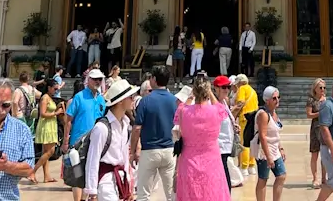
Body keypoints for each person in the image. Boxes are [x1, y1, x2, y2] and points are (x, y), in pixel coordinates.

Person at [172, 74, 230, 201]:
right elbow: (222, 110)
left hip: (189, 160)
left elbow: (179, 111)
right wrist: (210, 93)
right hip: (212, 160)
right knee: (212, 193)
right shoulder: (215, 111)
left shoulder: (184, 111)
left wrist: (191, 96)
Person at [84, 79, 139, 201]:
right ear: (120, 102)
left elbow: (124, 157)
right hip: (105, 182)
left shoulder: (125, 124)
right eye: (130, 96)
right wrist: (92, 192)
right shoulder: (102, 128)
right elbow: (92, 160)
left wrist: (129, 184)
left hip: (120, 180)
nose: (133, 99)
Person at [131, 65, 179, 201]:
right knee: (172, 194)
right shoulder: (175, 100)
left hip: (149, 151)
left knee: (143, 195)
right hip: (169, 149)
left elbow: (137, 128)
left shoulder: (145, 100)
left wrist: (133, 150)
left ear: (154, 79)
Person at [63, 69, 107, 201]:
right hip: (78, 143)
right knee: (77, 174)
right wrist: (66, 141)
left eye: (100, 79)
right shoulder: (79, 97)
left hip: (95, 142)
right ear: (88, 80)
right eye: (95, 79)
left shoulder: (101, 99)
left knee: (91, 173)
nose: (97, 82)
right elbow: (68, 120)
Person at [252, 86, 286, 201]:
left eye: (278, 97)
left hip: (275, 150)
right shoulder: (263, 114)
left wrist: (280, 148)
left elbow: (276, 132)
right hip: (264, 151)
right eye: (274, 98)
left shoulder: (274, 113)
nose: (277, 100)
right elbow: (262, 136)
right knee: (263, 179)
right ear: (267, 100)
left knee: (281, 176)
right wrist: (268, 156)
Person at [29, 78, 64, 183]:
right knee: (50, 151)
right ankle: (32, 171)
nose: (56, 90)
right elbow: (43, 113)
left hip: (50, 124)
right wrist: (56, 113)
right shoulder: (45, 98)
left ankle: (46, 176)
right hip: (46, 125)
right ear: (49, 88)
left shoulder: (49, 97)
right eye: (55, 88)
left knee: (45, 152)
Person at [234, 73, 259, 175]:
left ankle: (244, 167)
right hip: (254, 119)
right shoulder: (253, 91)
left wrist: (234, 113)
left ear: (240, 82)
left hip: (244, 118)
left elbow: (240, 102)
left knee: (244, 143)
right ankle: (252, 166)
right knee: (253, 142)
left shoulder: (242, 89)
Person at [305, 78, 327, 189]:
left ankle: (324, 178)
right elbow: (309, 114)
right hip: (315, 128)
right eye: (320, 87)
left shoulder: (326, 100)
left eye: (324, 87)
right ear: (315, 88)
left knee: (325, 155)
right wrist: (319, 113)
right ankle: (315, 178)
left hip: (325, 128)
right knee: (315, 154)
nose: (322, 89)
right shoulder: (311, 100)